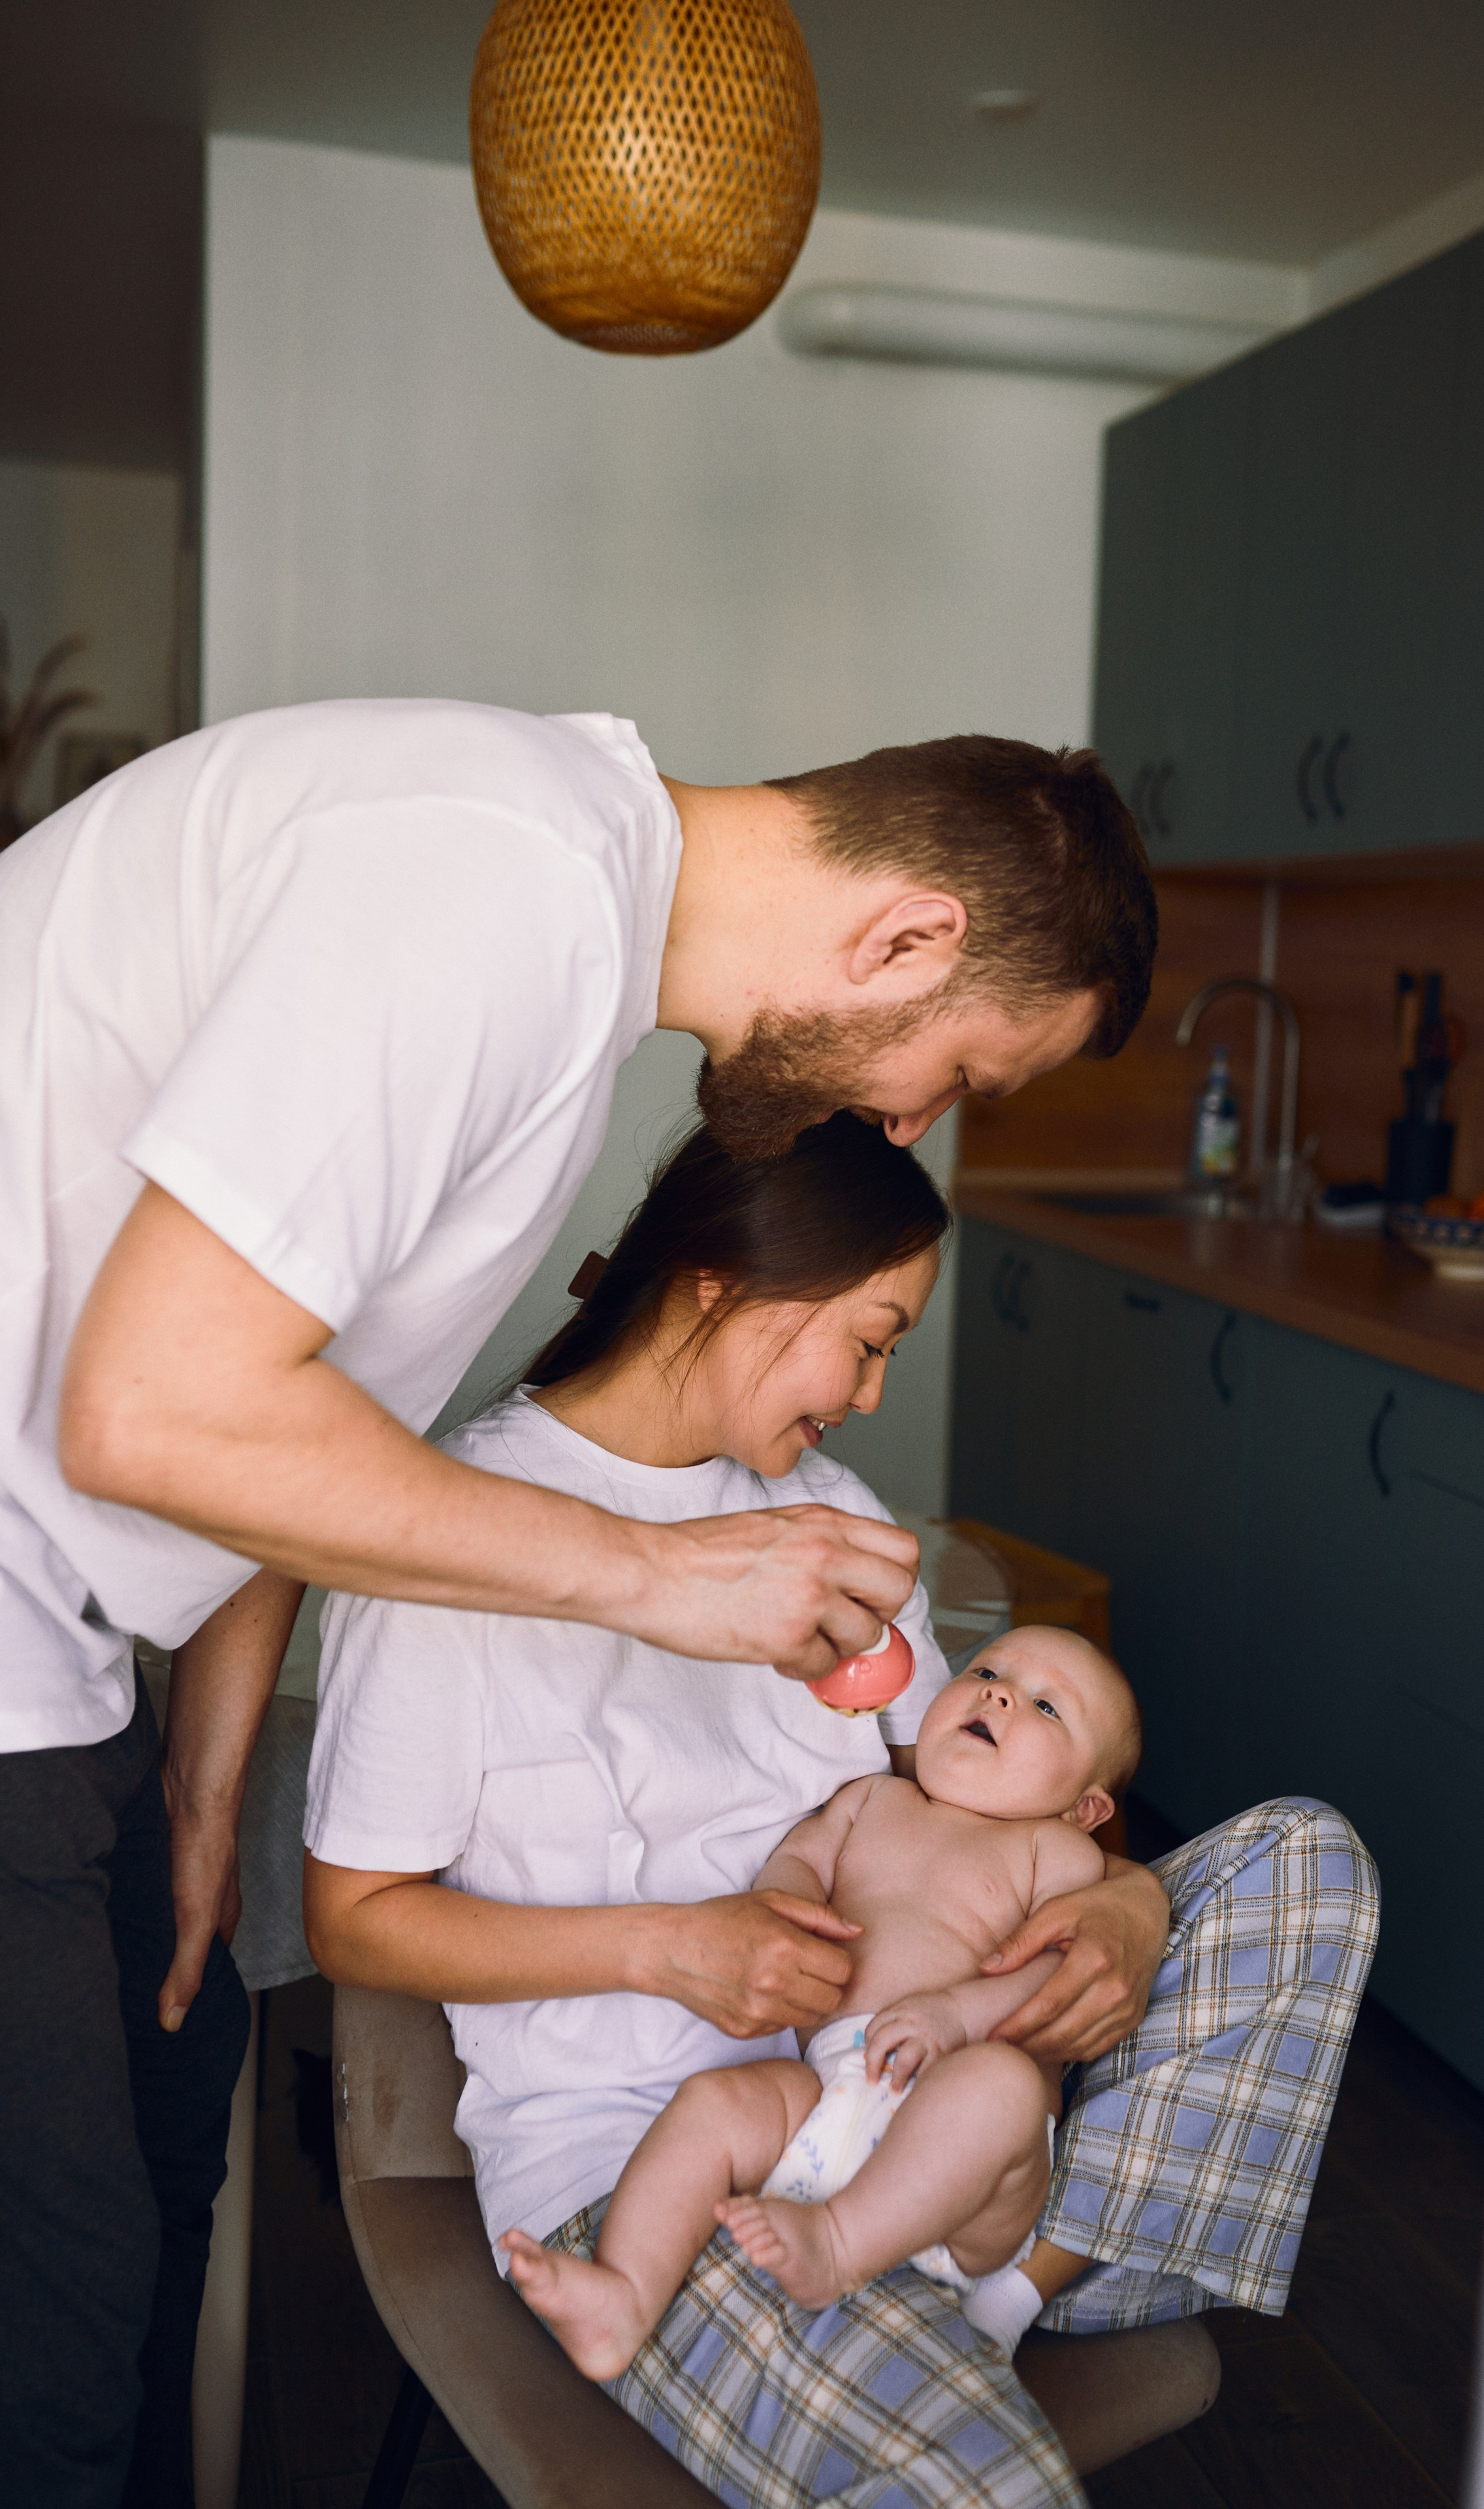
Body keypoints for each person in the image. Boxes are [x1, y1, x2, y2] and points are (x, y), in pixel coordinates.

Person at [0, 708, 1161, 2507]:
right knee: (52, 2335)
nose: (909, 1123)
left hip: (68, 1652)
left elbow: (292, 1418)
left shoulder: (561, 943)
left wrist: (207, 1780)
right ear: (913, 937)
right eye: (964, 1076)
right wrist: (654, 1576)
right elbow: (153, 1406)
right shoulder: (501, 887)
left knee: (158, 2179)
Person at [304, 1113, 1380, 2509]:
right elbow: (355, 1926)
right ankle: (952, 2322)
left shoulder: (826, 1511)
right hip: (656, 2163)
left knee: (1304, 1862)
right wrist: (664, 1948)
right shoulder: (453, 1543)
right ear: (721, 1285)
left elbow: (981, 1794)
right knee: (980, 2484)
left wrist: (1124, 1899)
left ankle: (990, 2289)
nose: (873, 1394)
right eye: (867, 1340)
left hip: (933, 2110)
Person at [501, 1628, 1140, 2378]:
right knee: (718, 2103)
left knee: (997, 2086)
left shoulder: (1055, 1853)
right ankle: (625, 2295)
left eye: (1043, 1705)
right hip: (828, 2096)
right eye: (987, 1671)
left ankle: (836, 2246)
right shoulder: (872, 1798)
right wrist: (790, 1903)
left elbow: (1063, 1973)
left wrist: (956, 2016)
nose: (998, 1692)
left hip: (967, 2149)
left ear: (1085, 1808)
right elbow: (797, 1861)